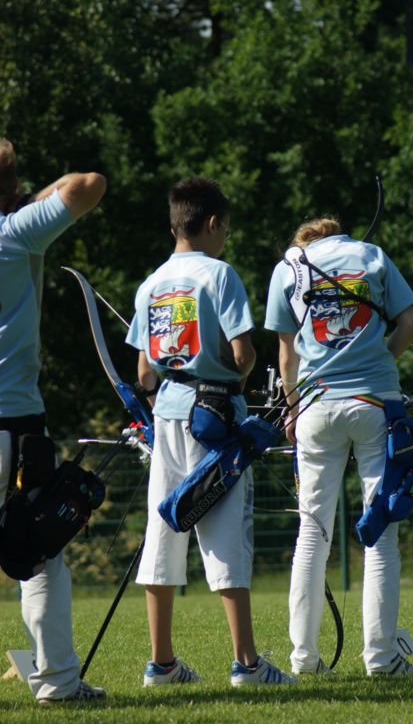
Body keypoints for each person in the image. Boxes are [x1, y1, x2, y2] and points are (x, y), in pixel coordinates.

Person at [125, 176, 297, 687]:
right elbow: (243, 356)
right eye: (227, 230)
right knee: (225, 533)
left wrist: (161, 406)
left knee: (164, 529)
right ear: (214, 223)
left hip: (166, 416)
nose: (226, 239)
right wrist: (233, 382)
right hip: (215, 419)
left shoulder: (151, 283)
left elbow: (144, 371)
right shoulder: (220, 275)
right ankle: (247, 664)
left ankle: (161, 664)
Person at [264, 217, 413, 676]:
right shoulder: (371, 255)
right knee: (381, 532)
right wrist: (380, 362)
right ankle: (381, 658)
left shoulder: (289, 267)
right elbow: (410, 324)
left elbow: (287, 354)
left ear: (306, 239)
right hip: (376, 404)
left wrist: (291, 409)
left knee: (311, 534)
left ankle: (304, 659)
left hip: (315, 406)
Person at [0, 137, 107, 702]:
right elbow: (89, 184)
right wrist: (27, 206)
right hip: (14, 423)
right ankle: (58, 681)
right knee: (39, 552)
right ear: (12, 189)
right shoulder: (13, 233)